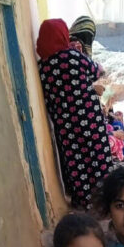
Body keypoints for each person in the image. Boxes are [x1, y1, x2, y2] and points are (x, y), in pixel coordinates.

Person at [36, 18, 114, 209]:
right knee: (98, 157)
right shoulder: (71, 56)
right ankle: (106, 200)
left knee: (76, 160)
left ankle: (84, 201)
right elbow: (97, 70)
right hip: (89, 119)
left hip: (64, 125)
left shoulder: (43, 66)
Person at [69, 16, 124, 161]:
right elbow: (96, 72)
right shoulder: (75, 49)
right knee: (113, 131)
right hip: (84, 118)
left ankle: (118, 154)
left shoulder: (72, 52)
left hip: (87, 115)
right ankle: (116, 156)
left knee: (115, 119)